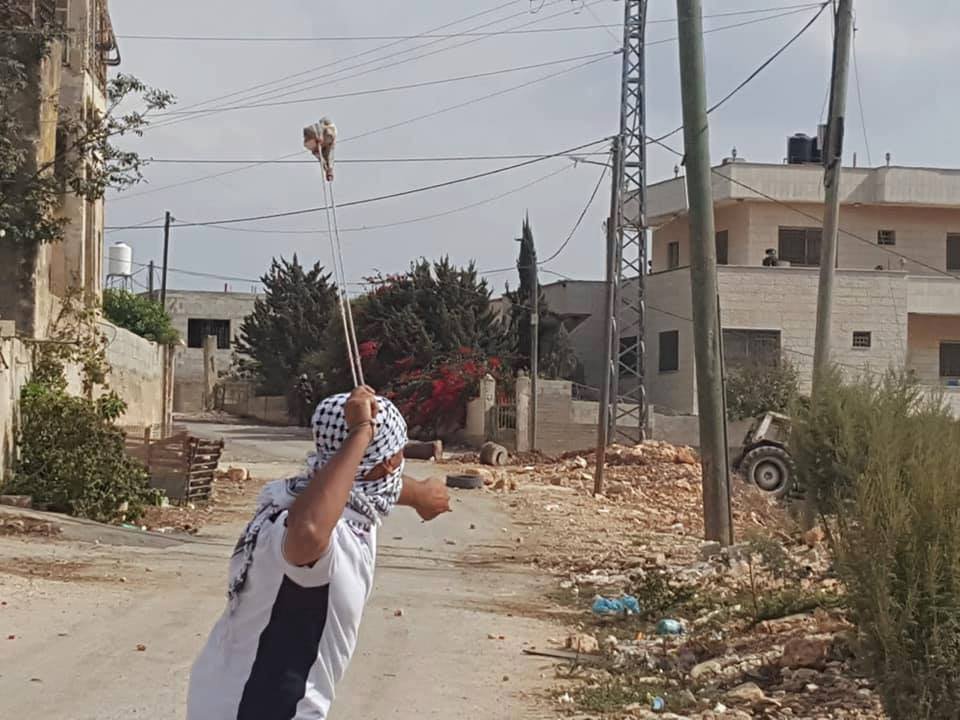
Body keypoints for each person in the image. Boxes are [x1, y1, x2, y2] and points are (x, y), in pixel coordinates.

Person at [186, 386, 451, 720]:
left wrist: (420, 495)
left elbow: (358, 486)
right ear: (388, 462)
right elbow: (310, 531)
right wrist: (362, 432)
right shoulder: (324, 532)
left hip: (229, 695)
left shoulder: (303, 497)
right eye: (398, 453)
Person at [303, 117, 337, 182]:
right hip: (315, 140)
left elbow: (328, 156)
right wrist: (318, 136)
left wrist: (329, 170)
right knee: (322, 153)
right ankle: (329, 170)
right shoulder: (322, 130)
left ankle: (329, 170)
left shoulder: (330, 140)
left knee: (325, 157)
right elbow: (307, 130)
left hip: (319, 143)